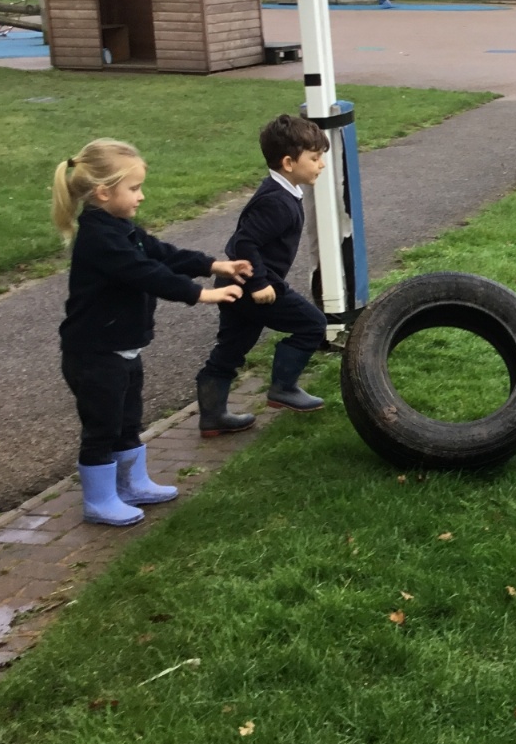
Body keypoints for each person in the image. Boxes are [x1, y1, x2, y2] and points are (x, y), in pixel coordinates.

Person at [54, 139, 249, 526]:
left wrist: (214, 265)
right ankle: (99, 500)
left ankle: (132, 483)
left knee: (128, 420)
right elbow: (146, 273)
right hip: (94, 355)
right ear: (103, 192)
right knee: (102, 428)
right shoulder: (100, 240)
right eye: (134, 188)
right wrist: (202, 294)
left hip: (122, 349)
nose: (141, 196)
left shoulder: (122, 228)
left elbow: (162, 254)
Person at [197, 115, 333, 436]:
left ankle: (212, 418)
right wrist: (259, 283)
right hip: (253, 286)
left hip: (236, 285)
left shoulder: (282, 192)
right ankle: (283, 388)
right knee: (312, 324)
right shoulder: (276, 202)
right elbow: (245, 242)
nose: (321, 164)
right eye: (315, 158)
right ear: (288, 162)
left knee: (231, 349)